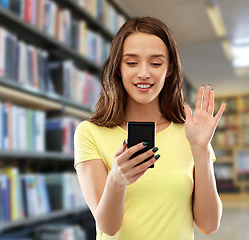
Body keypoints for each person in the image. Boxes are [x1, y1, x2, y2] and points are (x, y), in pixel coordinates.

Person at [74, 17, 226, 240]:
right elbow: (108, 226)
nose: (144, 73)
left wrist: (201, 151)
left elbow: (209, 225)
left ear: (169, 69)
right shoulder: (90, 133)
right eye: (132, 62)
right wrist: (117, 179)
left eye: (155, 63)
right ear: (118, 68)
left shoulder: (190, 133)